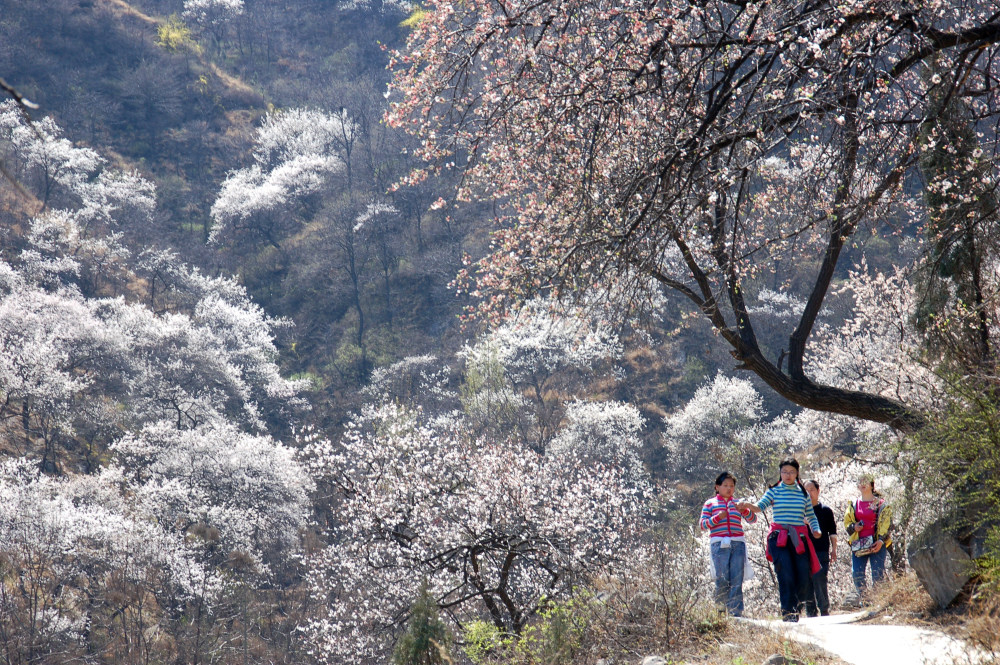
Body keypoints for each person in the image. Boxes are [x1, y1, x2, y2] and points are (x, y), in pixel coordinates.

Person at [738, 459, 822, 622]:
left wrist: (816, 529)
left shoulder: (803, 493)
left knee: (804, 574)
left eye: (791, 472)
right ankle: (788, 612)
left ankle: (796, 606)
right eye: (784, 472)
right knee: (786, 573)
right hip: (779, 538)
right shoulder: (774, 491)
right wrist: (747, 505)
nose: (788, 475)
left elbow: (811, 516)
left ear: (797, 473)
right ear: (780, 473)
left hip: (799, 538)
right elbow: (759, 507)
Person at [700, 471, 757, 617]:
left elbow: (752, 520)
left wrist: (745, 510)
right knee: (722, 578)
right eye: (725, 485)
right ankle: (720, 611)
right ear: (717, 487)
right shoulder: (710, 503)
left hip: (737, 542)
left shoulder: (737, 503)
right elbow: (703, 524)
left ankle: (735, 612)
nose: (729, 488)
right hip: (719, 544)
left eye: (731, 486)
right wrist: (718, 517)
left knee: (737, 578)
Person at [844, 473, 892, 602]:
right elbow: (847, 524)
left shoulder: (881, 504)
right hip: (859, 544)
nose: (862, 484)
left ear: (871, 484)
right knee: (857, 574)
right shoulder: (853, 504)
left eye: (865, 481)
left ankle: (878, 601)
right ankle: (865, 600)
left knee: (877, 574)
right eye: (860, 482)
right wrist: (854, 527)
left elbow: (887, 524)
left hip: (876, 544)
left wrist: (881, 540)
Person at [802, 479, 837, 616]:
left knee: (819, 578)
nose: (809, 493)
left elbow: (832, 532)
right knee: (806, 581)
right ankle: (810, 612)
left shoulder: (826, 511)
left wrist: (834, 549)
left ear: (818, 491)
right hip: (804, 551)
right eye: (806, 490)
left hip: (821, 550)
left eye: (812, 490)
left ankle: (824, 609)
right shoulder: (800, 511)